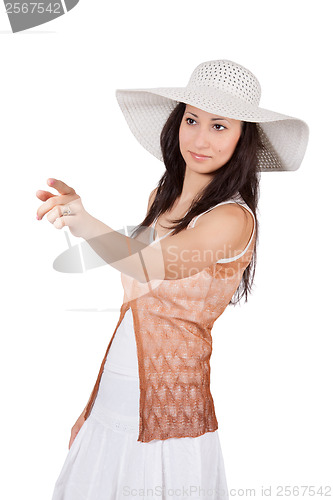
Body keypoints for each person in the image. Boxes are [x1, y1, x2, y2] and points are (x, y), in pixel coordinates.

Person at [36, 59, 309, 500]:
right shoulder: (159, 200)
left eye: (220, 126)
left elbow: (146, 265)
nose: (200, 138)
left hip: (172, 415)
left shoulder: (232, 219)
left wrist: (83, 221)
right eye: (191, 119)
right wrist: (93, 406)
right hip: (114, 400)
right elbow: (135, 307)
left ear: (244, 138)